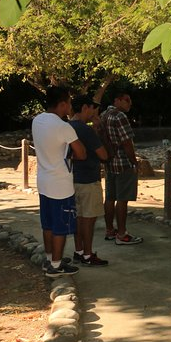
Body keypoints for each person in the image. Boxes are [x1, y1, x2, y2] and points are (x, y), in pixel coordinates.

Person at [32, 86, 86, 278]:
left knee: (48, 224)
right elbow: (81, 153)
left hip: (44, 180)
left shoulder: (37, 121)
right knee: (60, 226)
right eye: (69, 103)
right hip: (60, 183)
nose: (70, 107)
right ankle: (56, 266)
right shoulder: (64, 127)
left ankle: (50, 259)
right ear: (62, 104)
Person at [70, 95, 109, 266]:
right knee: (88, 218)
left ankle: (79, 251)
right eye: (93, 109)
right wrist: (98, 129)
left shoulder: (68, 126)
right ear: (85, 107)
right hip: (88, 179)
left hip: (73, 178)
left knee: (78, 216)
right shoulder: (85, 129)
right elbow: (103, 154)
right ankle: (88, 254)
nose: (95, 113)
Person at [100, 91, 143, 245]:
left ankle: (110, 230)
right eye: (127, 100)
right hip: (123, 162)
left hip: (109, 162)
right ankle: (122, 234)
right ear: (117, 100)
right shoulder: (120, 116)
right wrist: (134, 162)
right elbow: (126, 142)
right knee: (123, 199)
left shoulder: (104, 115)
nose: (129, 103)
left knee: (110, 198)